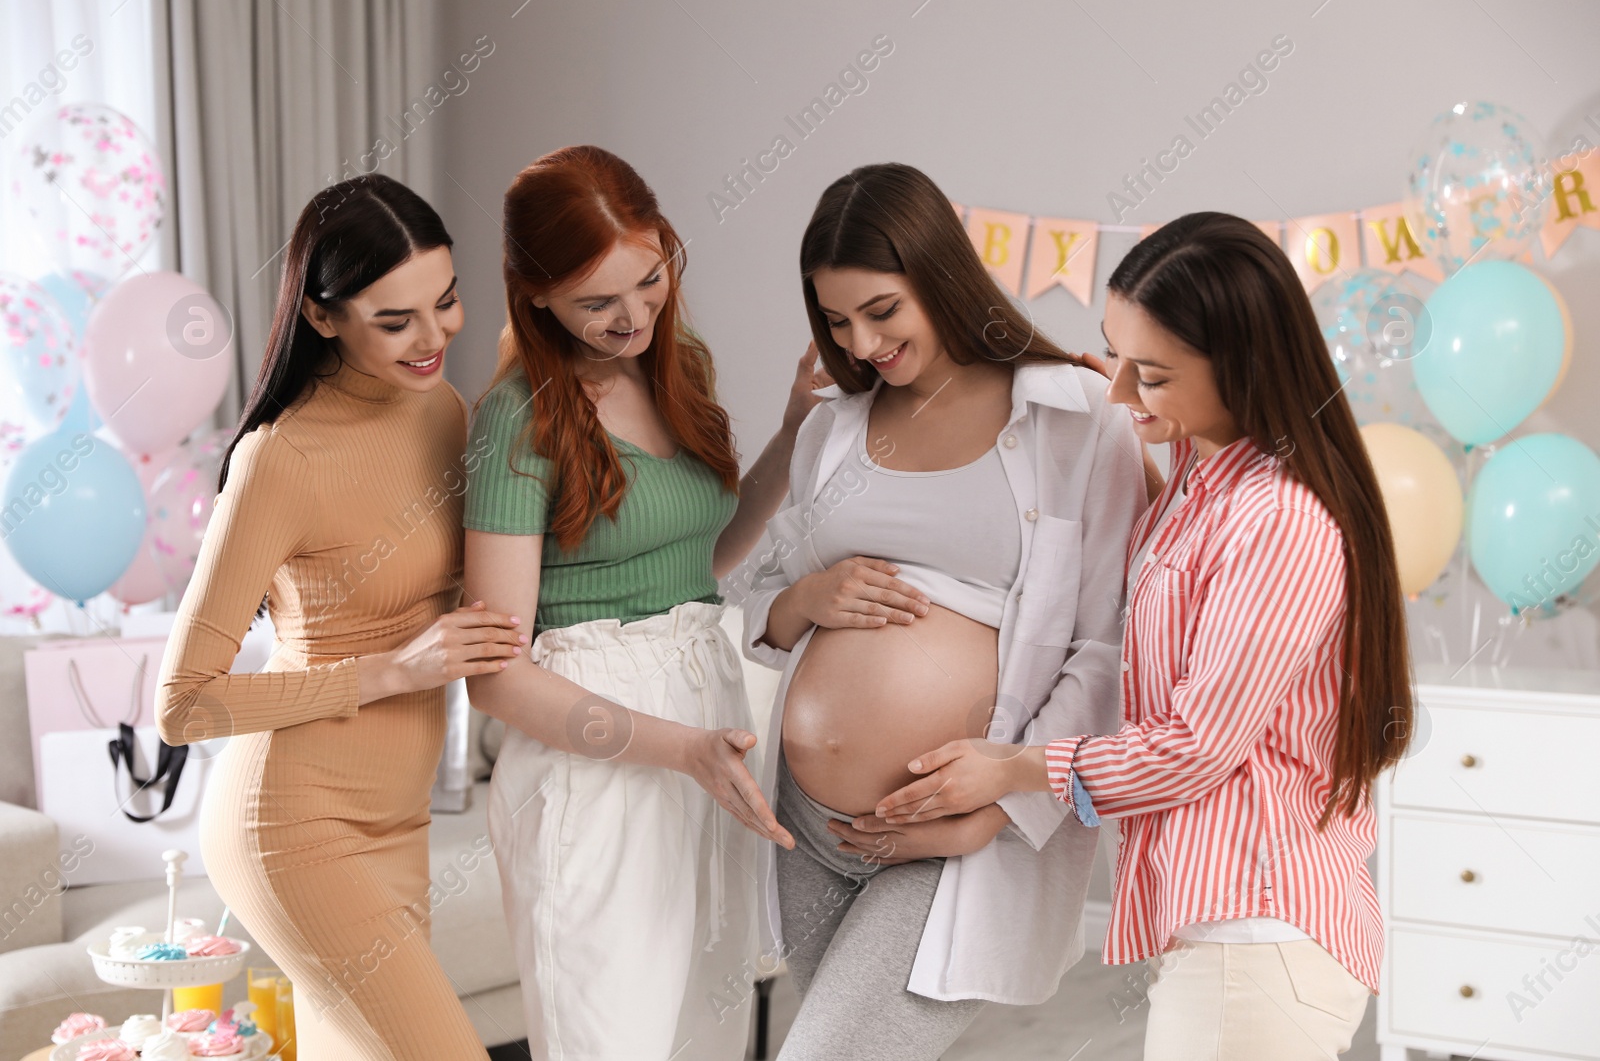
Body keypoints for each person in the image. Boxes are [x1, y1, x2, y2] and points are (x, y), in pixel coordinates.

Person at [875, 211, 1415, 1061]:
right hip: (1221, 930)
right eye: (1114, 355)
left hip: (1258, 936)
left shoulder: (1277, 517)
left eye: (1152, 374)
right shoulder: (1206, 482)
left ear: (1242, 370)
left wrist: (1015, 767)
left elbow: (1197, 746)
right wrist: (1140, 433)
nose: (1120, 390)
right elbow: (1184, 578)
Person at [727, 162, 1149, 1059]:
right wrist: (803, 598)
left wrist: (1002, 802)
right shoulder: (831, 430)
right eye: (838, 321)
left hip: (957, 830)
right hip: (808, 822)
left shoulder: (1075, 417)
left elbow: (1106, 647)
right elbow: (752, 597)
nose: (864, 341)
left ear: (940, 273)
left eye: (882, 310)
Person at [460, 145, 819, 1061]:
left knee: (707, 1024)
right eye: (597, 302)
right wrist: (678, 749)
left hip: (703, 708)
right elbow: (497, 678)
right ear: (535, 295)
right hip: (601, 751)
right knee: (611, 1037)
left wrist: (790, 431)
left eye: (649, 280)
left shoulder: (676, 363)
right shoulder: (521, 416)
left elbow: (708, 551)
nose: (633, 317)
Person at [157, 174, 524, 1060]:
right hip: (293, 823)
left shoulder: (442, 408)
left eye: (446, 302)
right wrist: (394, 670)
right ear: (323, 318)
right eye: (395, 321)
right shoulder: (280, 458)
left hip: (399, 817)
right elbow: (183, 705)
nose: (433, 337)